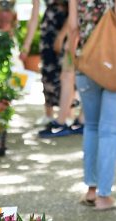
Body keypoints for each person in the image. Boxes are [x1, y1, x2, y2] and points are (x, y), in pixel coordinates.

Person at [68, 0, 116, 210]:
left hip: (86, 62)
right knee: (109, 131)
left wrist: (71, 60)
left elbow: (73, 27)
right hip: (115, 63)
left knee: (91, 127)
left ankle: (91, 191)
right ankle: (104, 196)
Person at [20, 0, 83, 138]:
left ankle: (67, 116)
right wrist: (26, 46)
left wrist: (63, 35)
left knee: (68, 75)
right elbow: (34, 16)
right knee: (49, 73)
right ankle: (52, 116)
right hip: (50, 28)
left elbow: (76, 12)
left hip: (69, 29)